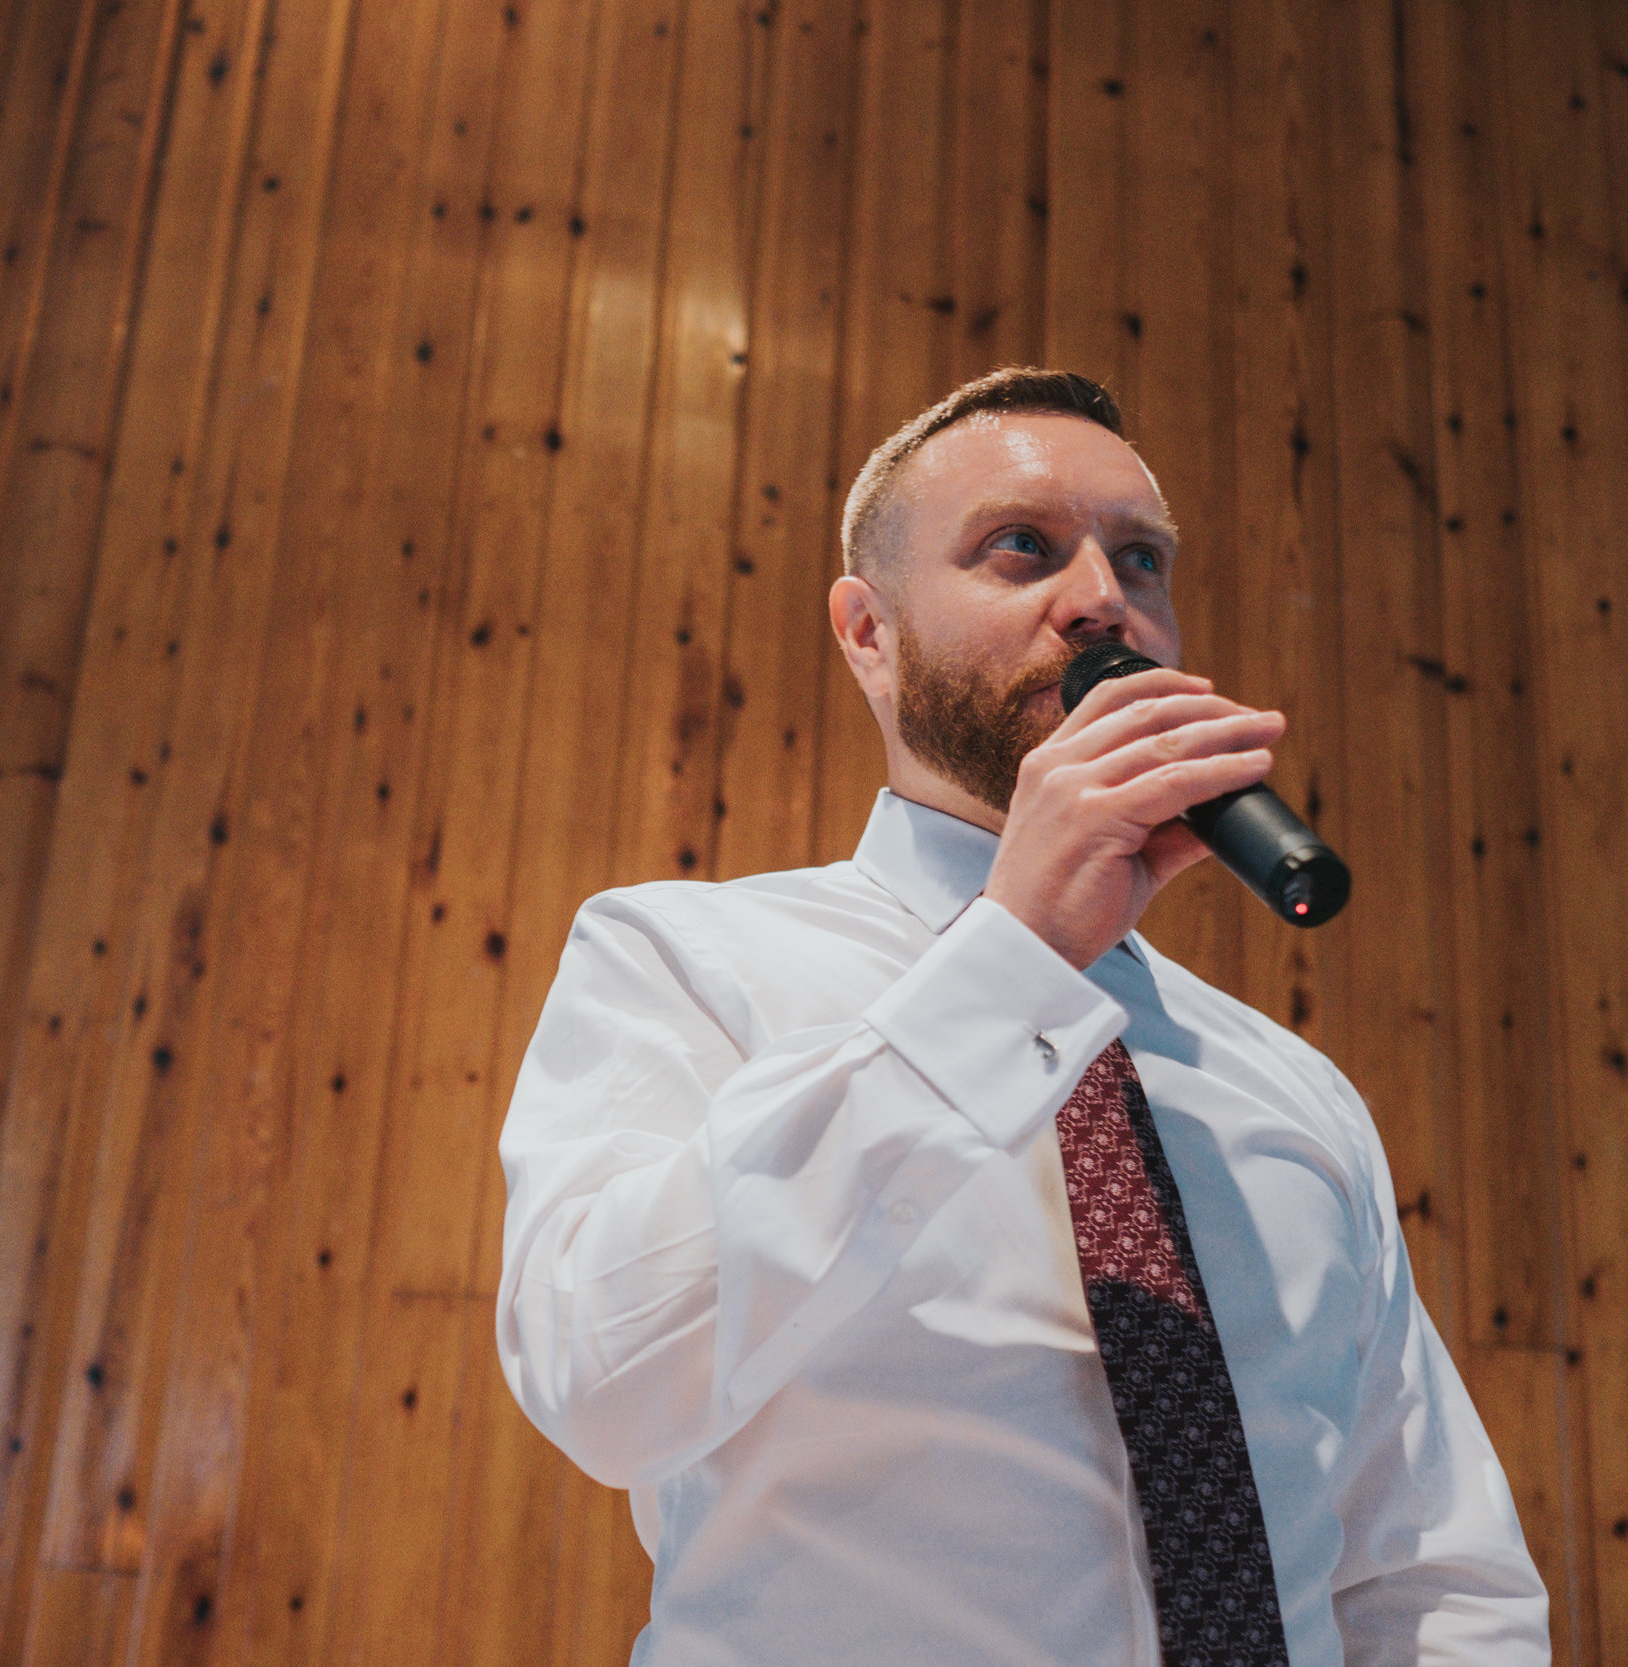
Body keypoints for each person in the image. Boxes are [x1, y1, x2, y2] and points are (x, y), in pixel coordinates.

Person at [495, 368, 1550, 1666]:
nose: (1105, 598)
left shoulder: (1292, 1092)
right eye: (1023, 548)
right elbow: (603, 1380)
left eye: (1142, 560)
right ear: (868, 631)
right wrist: (1013, 960)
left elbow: (1430, 1572)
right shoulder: (688, 959)